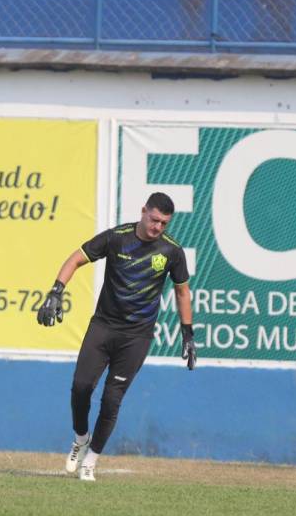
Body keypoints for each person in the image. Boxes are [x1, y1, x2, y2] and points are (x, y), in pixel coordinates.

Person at [36, 192, 195, 482]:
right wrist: (56, 291)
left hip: (137, 336)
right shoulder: (117, 238)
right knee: (81, 387)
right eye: (155, 219)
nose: (158, 227)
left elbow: (182, 291)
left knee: (112, 400)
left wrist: (188, 334)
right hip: (103, 326)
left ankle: (90, 462)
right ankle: (81, 439)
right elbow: (76, 258)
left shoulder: (172, 251)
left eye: (164, 223)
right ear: (144, 210)